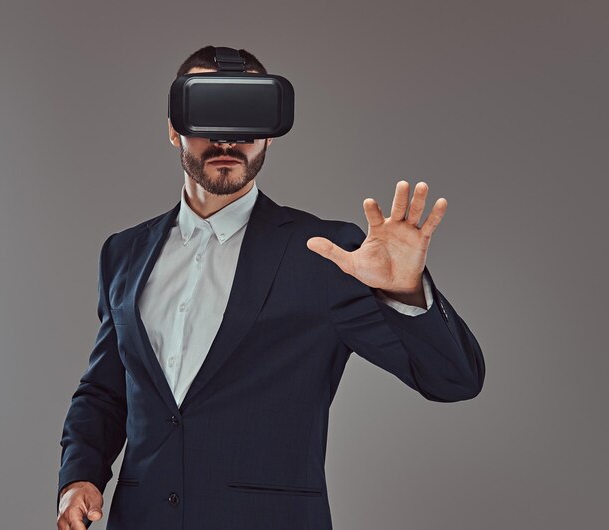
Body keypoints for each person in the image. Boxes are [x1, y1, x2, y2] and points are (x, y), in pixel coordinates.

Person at [56, 45, 485, 530]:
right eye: (209, 114)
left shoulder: (328, 253)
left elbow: (455, 380)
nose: (228, 139)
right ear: (174, 126)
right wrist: (81, 477)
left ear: (270, 132)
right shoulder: (123, 253)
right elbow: (105, 392)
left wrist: (407, 294)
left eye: (246, 117)